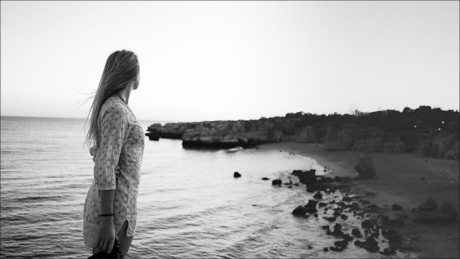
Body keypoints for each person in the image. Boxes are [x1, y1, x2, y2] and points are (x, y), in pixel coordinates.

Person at [83, 50, 144, 258]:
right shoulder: (116, 109)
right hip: (114, 210)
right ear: (134, 75)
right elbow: (105, 165)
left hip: (120, 206)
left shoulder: (117, 108)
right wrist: (107, 220)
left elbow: (106, 157)